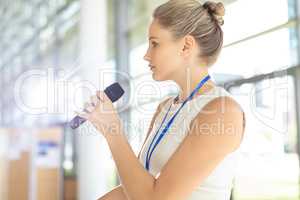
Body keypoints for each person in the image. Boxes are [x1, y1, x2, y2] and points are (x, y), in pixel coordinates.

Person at [78, 0, 246, 199]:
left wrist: (113, 131)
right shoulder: (165, 107)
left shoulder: (222, 112)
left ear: (186, 46)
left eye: (154, 44)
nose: (146, 55)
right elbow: (135, 189)